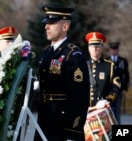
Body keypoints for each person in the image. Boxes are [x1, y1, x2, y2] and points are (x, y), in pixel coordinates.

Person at [34, 5, 90, 141]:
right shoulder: (47, 52)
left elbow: (79, 96)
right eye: (46, 23)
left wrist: (73, 131)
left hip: (63, 123)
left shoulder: (73, 55)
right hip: (44, 118)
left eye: (51, 23)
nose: (46, 26)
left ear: (65, 27)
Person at [85, 32, 120, 111]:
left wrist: (107, 100)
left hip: (102, 110)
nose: (95, 48)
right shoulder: (82, 66)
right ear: (88, 48)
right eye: (92, 46)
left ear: (102, 48)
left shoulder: (110, 66)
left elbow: (116, 86)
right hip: (85, 111)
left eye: (97, 46)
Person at [106, 42, 129, 124]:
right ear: (110, 50)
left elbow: (126, 75)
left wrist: (125, 88)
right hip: (108, 89)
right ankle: (109, 127)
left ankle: (117, 125)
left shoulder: (123, 61)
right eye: (112, 49)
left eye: (115, 49)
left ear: (118, 50)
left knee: (117, 109)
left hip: (119, 89)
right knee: (108, 108)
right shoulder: (106, 60)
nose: (114, 51)